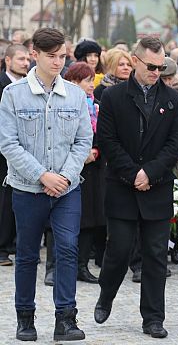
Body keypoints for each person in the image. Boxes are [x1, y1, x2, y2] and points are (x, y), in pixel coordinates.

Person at [0, 27, 93, 341]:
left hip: (68, 189)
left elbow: (83, 141)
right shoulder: (12, 95)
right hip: (27, 188)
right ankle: (25, 318)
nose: (58, 62)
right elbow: (9, 144)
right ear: (34, 54)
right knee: (27, 254)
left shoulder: (76, 94)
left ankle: (65, 319)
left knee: (67, 249)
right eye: (51, 56)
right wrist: (42, 175)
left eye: (62, 56)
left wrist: (64, 177)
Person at [94, 37, 178, 339]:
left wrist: (151, 172)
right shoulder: (113, 96)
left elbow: (175, 143)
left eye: (161, 67)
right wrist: (134, 173)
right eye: (151, 66)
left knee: (156, 255)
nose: (156, 72)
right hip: (123, 185)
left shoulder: (172, 100)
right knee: (118, 250)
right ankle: (106, 294)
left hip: (157, 186)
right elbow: (107, 140)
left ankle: (153, 318)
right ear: (135, 61)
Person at [63, 62, 106, 284]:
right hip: (69, 169)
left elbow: (105, 133)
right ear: (73, 82)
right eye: (87, 81)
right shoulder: (63, 104)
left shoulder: (96, 106)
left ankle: (82, 266)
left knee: (90, 219)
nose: (92, 85)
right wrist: (80, 155)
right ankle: (62, 267)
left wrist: (95, 151)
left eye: (92, 80)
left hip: (93, 170)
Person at [0, 44, 30, 267]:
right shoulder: (3, 85)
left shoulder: (28, 85)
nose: (26, 63)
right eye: (20, 59)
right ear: (7, 61)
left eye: (27, 59)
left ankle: (11, 243)